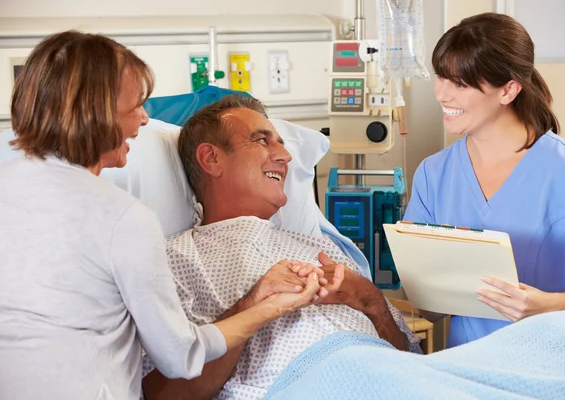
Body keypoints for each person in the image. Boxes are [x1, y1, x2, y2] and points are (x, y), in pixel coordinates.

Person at [0, 31, 326, 400]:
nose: (146, 120)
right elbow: (180, 356)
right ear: (97, 113)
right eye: (135, 106)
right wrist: (268, 304)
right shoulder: (123, 218)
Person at [141, 95, 420, 400]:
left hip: (394, 379)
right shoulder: (176, 260)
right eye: (262, 140)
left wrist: (371, 302)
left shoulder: (321, 248)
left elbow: (412, 362)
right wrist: (253, 305)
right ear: (211, 159)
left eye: (282, 143)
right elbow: (162, 395)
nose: (286, 156)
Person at [403, 12, 565, 348]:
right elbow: (428, 309)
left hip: (554, 367)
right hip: (467, 370)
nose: (442, 95)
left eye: (459, 84)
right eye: (440, 78)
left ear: (508, 91)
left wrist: (548, 306)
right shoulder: (433, 174)